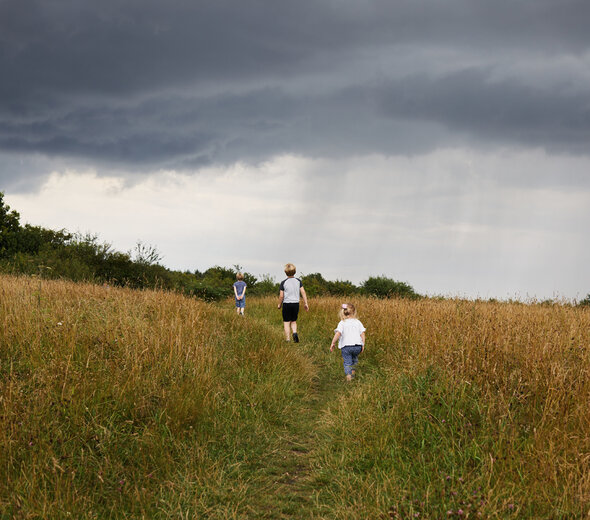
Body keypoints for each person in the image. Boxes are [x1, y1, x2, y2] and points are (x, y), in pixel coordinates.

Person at [330, 303, 365, 381]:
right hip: (357, 346)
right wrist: (363, 344)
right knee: (354, 360)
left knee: (347, 362)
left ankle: (349, 378)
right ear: (354, 312)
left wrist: (333, 343)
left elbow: (338, 333)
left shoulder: (342, 323)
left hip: (346, 346)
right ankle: (353, 374)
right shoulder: (358, 322)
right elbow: (362, 333)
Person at [277, 263, 309, 342]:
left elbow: (281, 296)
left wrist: (279, 304)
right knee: (293, 321)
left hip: (287, 304)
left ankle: (288, 339)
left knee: (286, 322)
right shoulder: (298, 281)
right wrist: (306, 303)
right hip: (296, 304)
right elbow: (303, 292)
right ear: (294, 271)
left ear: (285, 272)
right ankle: (294, 333)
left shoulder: (283, 282)